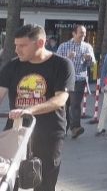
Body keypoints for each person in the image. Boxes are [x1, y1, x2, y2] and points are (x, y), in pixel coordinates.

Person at [0, 24, 75, 191]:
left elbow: (60, 99)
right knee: (9, 179)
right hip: (17, 132)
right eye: (16, 45)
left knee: (45, 182)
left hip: (50, 133)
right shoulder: (12, 66)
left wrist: (29, 111)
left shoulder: (62, 65)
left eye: (22, 46)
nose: (17, 50)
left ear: (40, 43)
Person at [56, 24, 96, 139]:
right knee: (64, 105)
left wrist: (90, 60)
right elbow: (57, 63)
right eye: (81, 33)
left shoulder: (87, 47)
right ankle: (64, 128)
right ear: (74, 33)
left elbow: (92, 64)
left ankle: (75, 128)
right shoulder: (64, 46)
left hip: (79, 79)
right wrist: (67, 58)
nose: (83, 35)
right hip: (64, 80)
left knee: (75, 104)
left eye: (84, 33)